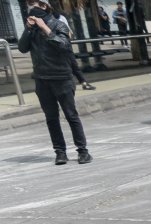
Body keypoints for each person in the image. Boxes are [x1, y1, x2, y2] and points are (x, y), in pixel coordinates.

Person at [17, 0, 91, 165]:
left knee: (71, 115)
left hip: (62, 78)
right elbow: (22, 48)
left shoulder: (59, 25)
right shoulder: (31, 29)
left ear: (44, 7)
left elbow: (64, 46)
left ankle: (83, 151)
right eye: (29, 5)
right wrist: (28, 29)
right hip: (42, 79)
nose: (31, 9)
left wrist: (45, 28)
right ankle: (60, 152)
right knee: (51, 118)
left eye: (35, 5)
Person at [52, 7, 96, 91]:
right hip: (57, 46)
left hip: (64, 45)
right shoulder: (47, 19)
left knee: (73, 65)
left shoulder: (60, 17)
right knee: (69, 65)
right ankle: (79, 83)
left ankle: (83, 82)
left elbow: (69, 32)